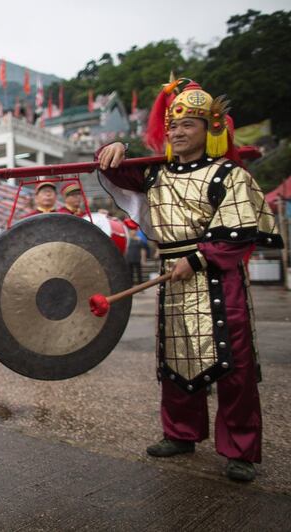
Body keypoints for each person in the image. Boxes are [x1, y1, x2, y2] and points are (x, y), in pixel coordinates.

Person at [96, 78, 284, 482]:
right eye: (173, 126)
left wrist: (199, 258)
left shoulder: (228, 174)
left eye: (188, 126)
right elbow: (115, 171)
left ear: (210, 129)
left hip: (219, 280)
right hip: (173, 277)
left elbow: (238, 228)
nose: (178, 133)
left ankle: (240, 450)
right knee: (176, 360)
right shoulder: (154, 174)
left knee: (233, 365)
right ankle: (181, 433)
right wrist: (113, 149)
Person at [124, 220, 147, 284]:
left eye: (134, 230)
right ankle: (130, 286)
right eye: (131, 230)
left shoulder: (139, 240)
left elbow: (143, 250)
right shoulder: (127, 239)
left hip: (137, 258)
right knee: (130, 273)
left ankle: (141, 287)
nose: (133, 232)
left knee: (139, 273)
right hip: (129, 259)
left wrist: (143, 259)